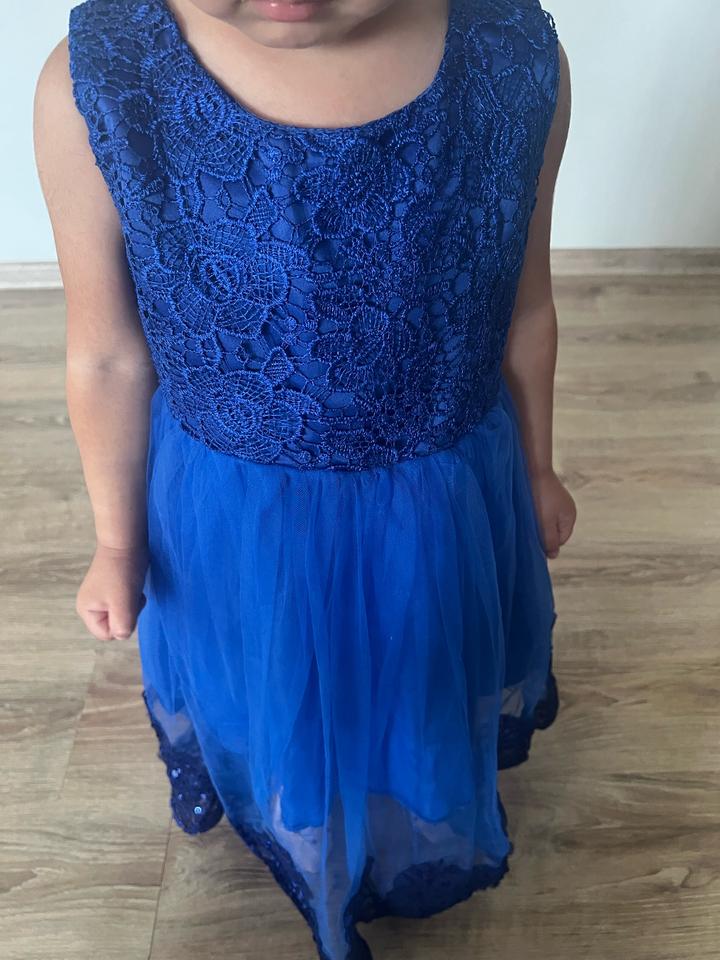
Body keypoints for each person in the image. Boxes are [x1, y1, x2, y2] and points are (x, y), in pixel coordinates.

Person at [34, 0, 576, 957]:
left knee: (414, 681)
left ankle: (400, 808)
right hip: (237, 519)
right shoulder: (98, 82)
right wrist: (115, 541)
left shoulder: (515, 57)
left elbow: (523, 302)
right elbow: (107, 353)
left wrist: (537, 465)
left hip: (440, 507)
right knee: (268, 685)